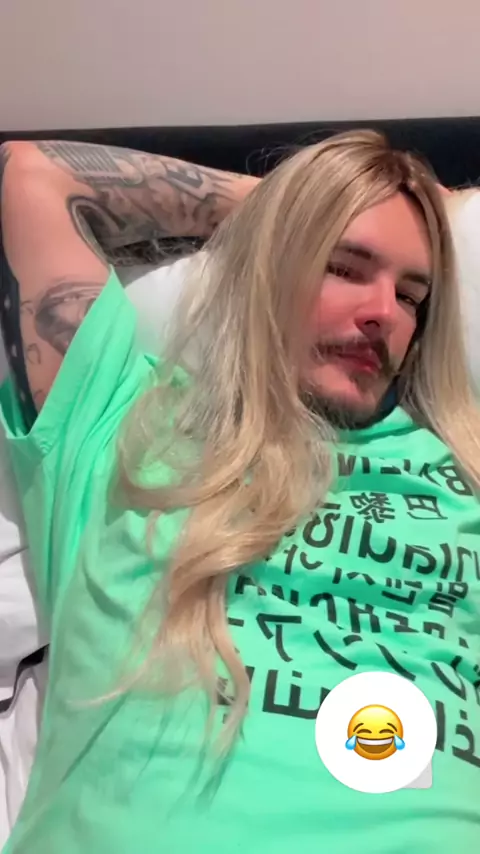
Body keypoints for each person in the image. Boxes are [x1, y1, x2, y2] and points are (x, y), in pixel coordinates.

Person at [0, 130, 479, 854]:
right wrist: (283, 206)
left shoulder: (464, 470)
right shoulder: (123, 420)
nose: (385, 312)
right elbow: (33, 178)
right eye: (342, 266)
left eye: (412, 295)